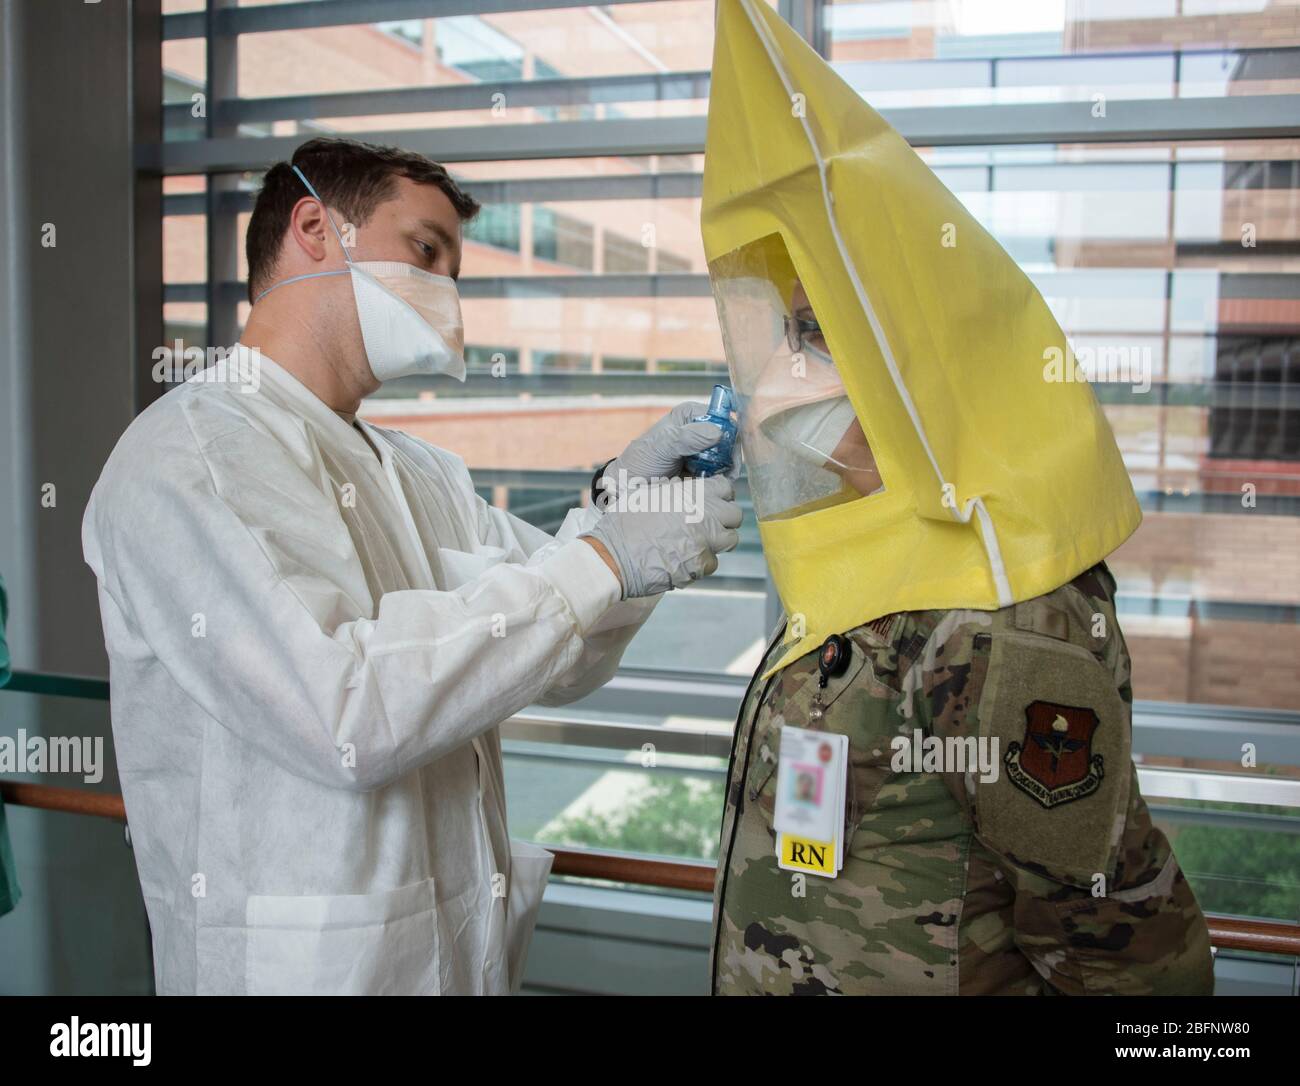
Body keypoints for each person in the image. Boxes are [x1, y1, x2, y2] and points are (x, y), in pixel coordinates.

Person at [82, 136, 741, 996]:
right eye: (425, 251)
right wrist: (603, 558)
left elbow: (556, 648)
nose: (445, 293)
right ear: (316, 227)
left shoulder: (419, 471)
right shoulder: (189, 455)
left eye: (453, 269)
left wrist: (623, 511)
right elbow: (341, 710)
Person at [702, 0, 1213, 995]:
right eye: (784, 334)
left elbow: (1121, 951)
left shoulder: (998, 620)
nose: (777, 373)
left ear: (917, 385)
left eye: (815, 335)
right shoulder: (868, 570)